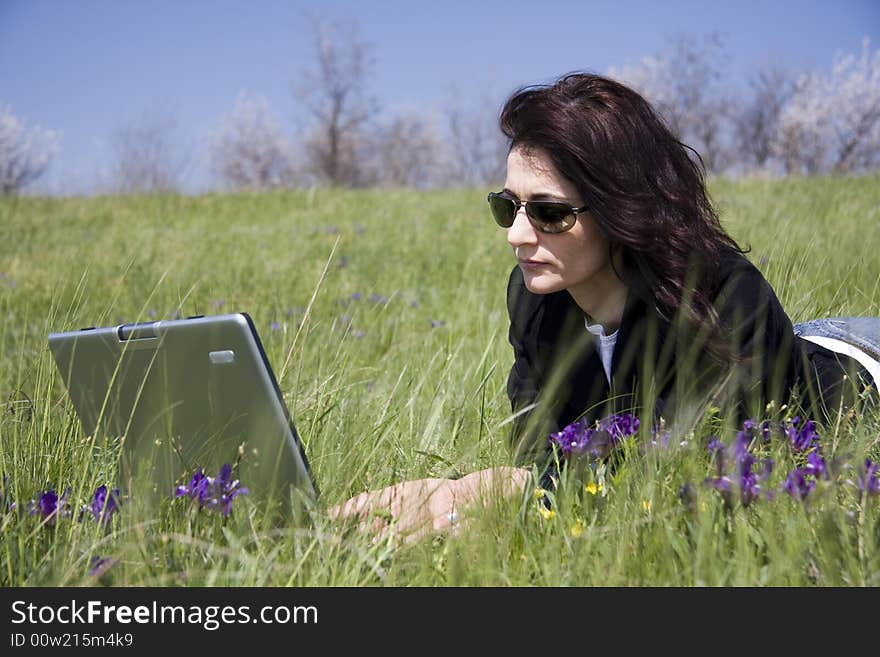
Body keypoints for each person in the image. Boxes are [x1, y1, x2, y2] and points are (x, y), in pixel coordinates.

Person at [329, 72, 880, 542]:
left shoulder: (723, 299)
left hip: (856, 362)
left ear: (623, 209)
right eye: (507, 206)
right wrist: (455, 494)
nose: (516, 235)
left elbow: (693, 470)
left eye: (549, 213)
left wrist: (501, 495)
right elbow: (540, 451)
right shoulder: (533, 300)